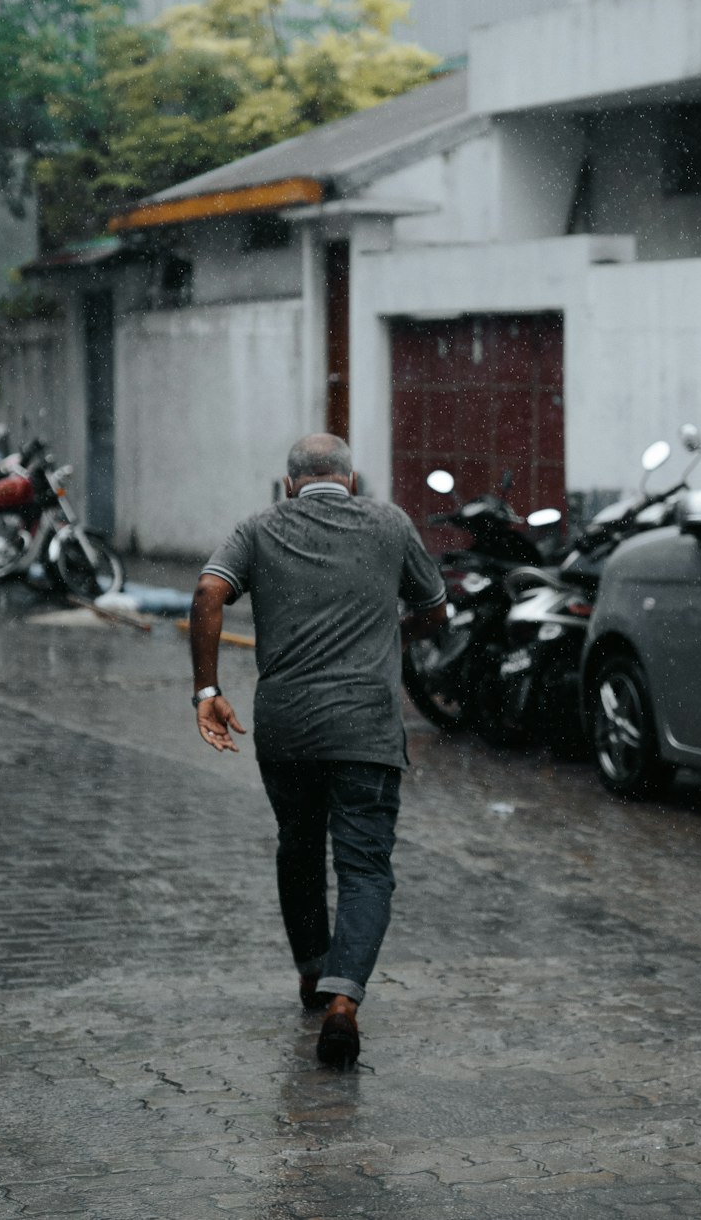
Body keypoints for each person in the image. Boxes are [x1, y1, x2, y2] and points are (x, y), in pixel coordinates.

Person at [190, 432, 447, 1068]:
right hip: (366, 729)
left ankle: (312, 971)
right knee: (363, 868)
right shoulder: (389, 524)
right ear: (351, 481)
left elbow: (207, 594)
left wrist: (207, 689)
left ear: (289, 486)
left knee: (299, 846)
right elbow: (437, 611)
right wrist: (396, 634)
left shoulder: (258, 528)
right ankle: (342, 1004)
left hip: (287, 729)